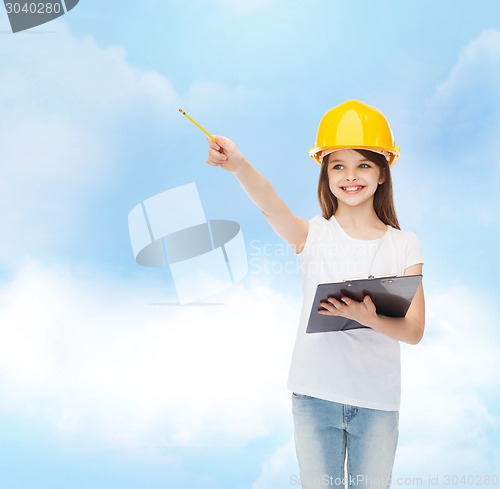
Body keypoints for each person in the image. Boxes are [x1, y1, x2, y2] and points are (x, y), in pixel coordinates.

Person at [206, 99, 425, 489]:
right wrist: (238, 165)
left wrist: (370, 318)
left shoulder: (404, 244)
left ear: (382, 173)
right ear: (325, 174)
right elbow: (270, 205)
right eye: (337, 166)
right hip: (314, 396)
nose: (349, 176)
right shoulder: (313, 235)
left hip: (377, 402)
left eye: (363, 165)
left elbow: (414, 330)